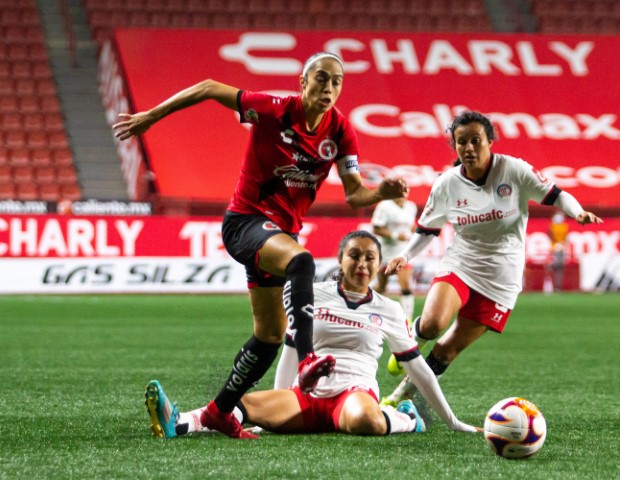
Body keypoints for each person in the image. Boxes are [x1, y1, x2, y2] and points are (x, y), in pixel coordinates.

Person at [113, 51, 408, 439]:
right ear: (303, 82)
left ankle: (216, 413)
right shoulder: (273, 109)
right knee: (302, 262)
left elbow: (355, 195)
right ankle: (307, 361)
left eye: (337, 82)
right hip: (246, 223)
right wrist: (150, 116)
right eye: (321, 78)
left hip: (278, 237)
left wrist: (380, 193)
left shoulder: (340, 132)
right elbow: (207, 88)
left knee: (269, 336)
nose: (329, 87)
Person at [144, 231, 478, 438]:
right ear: (340, 259)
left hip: (353, 394)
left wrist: (451, 419)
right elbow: (292, 346)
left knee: (367, 422)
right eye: (354, 255)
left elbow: (416, 366)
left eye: (370, 258)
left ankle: (405, 418)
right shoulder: (313, 293)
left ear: (378, 265)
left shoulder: (389, 309)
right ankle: (180, 422)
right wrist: (282, 398)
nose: (362, 263)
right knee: (242, 405)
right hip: (306, 398)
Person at [382, 110, 603, 404]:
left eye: (476, 140)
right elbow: (427, 230)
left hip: (502, 278)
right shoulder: (446, 183)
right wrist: (405, 256)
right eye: (462, 142)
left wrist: (578, 213)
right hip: (462, 263)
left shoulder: (514, 170)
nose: (469, 148)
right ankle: (412, 343)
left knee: (447, 350)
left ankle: (396, 399)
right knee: (434, 324)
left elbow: (556, 194)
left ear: (490, 142)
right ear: (455, 146)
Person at [371, 197, 418, 320]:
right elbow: (376, 228)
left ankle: (408, 319)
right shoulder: (384, 206)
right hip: (385, 250)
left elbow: (412, 226)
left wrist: (415, 235)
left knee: (406, 285)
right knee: (381, 287)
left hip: (402, 251)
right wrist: (395, 235)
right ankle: (364, 306)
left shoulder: (411, 206)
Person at [545, 211, 569, 292]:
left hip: (562, 248)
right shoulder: (552, 226)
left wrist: (563, 244)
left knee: (560, 268)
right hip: (554, 248)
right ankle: (549, 281)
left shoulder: (564, 226)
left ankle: (558, 286)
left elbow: (565, 237)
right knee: (554, 266)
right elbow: (550, 234)